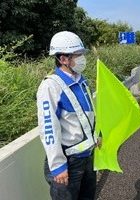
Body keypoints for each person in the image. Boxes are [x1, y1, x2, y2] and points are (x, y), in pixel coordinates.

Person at [37, 31, 98, 200]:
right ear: (63, 59)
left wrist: (95, 136)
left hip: (87, 157)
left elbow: (88, 114)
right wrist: (57, 166)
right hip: (68, 163)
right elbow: (48, 128)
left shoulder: (81, 80)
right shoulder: (50, 86)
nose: (82, 59)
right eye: (77, 55)